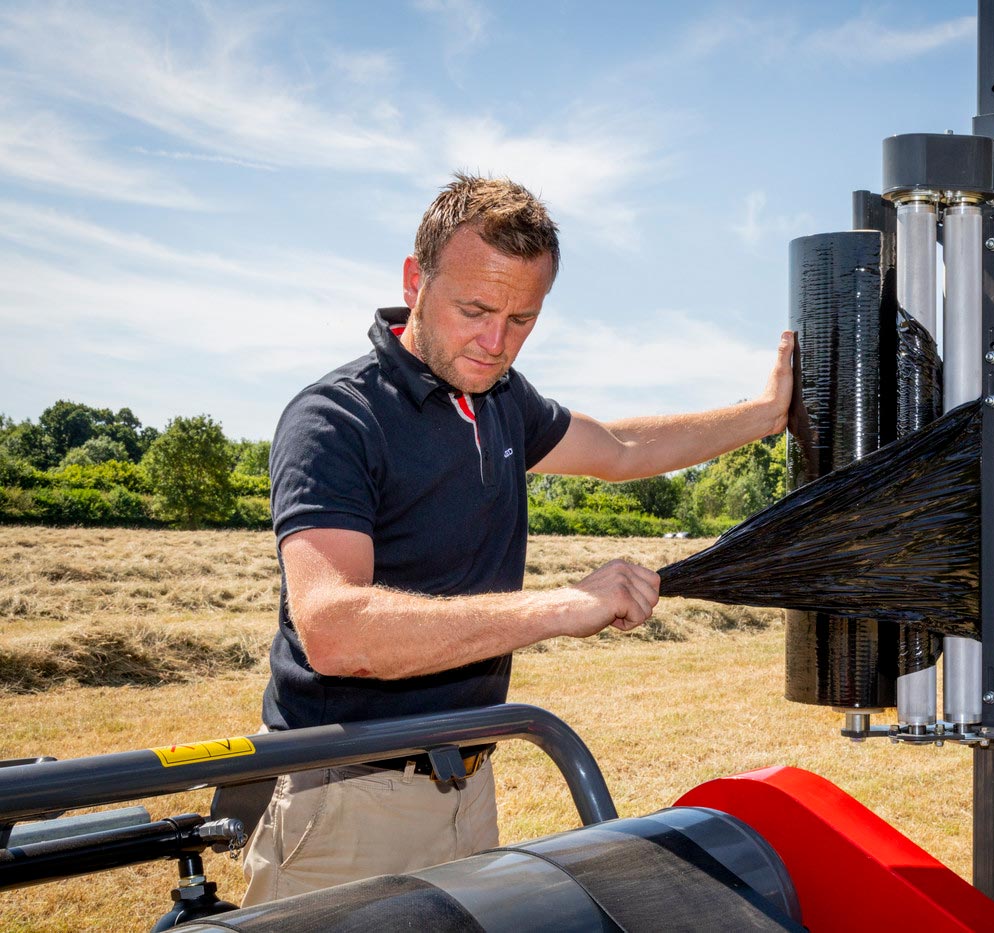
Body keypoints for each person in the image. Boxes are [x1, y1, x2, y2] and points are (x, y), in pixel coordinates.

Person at [241, 173, 793, 903]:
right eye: (475, 309)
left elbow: (619, 447)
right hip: (347, 800)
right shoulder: (337, 420)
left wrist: (761, 415)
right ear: (415, 281)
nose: (496, 342)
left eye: (521, 318)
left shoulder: (499, 399)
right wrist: (562, 605)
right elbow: (337, 631)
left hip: (466, 785)